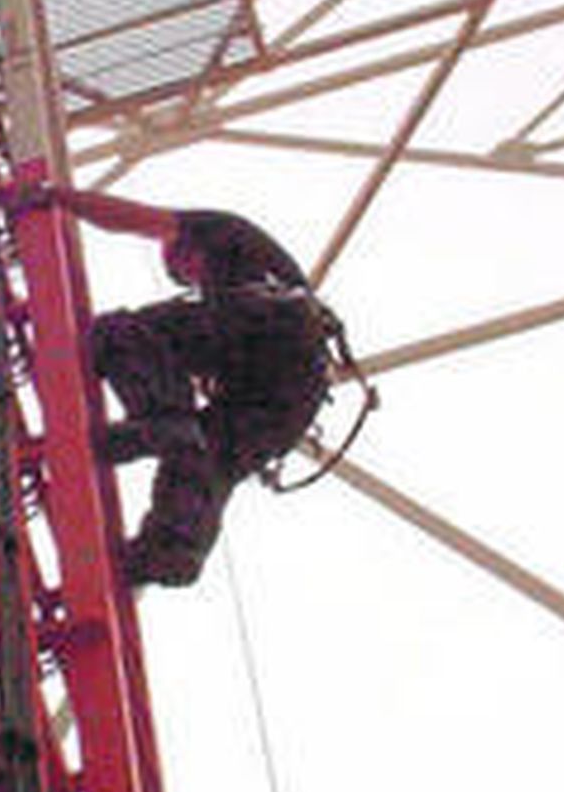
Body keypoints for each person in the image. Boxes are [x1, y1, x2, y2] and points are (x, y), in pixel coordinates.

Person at [29, 188, 338, 587]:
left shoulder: (218, 231)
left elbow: (132, 217)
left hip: (272, 327)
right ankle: (170, 549)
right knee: (208, 457)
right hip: (294, 394)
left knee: (121, 332)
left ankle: (161, 421)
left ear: (185, 249)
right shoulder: (263, 274)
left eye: (183, 268)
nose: (189, 278)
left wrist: (59, 198)